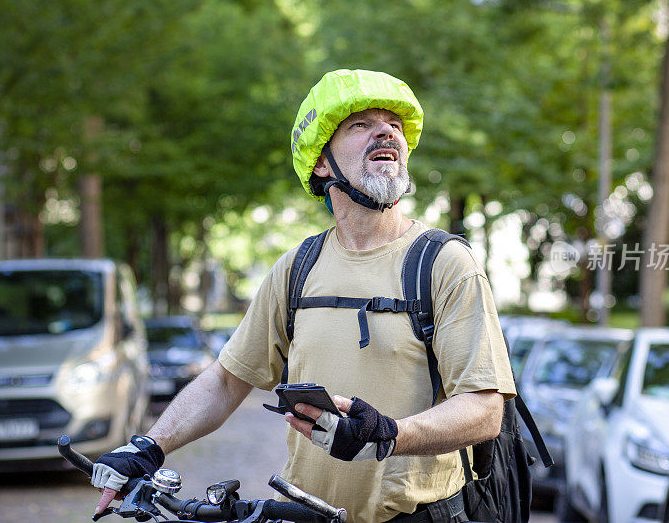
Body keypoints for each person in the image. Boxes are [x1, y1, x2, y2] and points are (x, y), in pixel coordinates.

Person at [91, 69, 516, 522]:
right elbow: (226, 380)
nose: (385, 132)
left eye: (393, 124)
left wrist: (389, 434)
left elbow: (484, 409)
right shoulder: (298, 268)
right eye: (360, 125)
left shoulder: (444, 263)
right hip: (306, 513)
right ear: (321, 163)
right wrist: (149, 446)